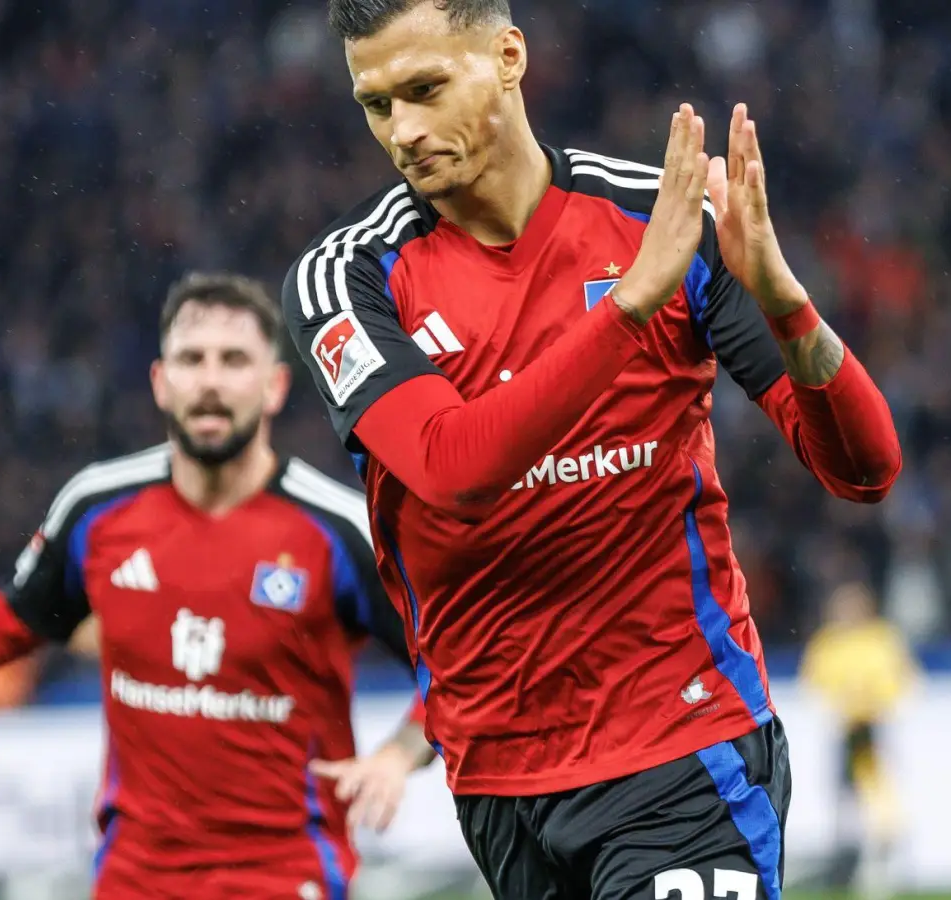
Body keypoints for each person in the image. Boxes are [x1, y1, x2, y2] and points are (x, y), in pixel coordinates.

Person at [281, 2, 904, 897]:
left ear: (506, 56)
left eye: (424, 89)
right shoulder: (348, 276)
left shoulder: (661, 221)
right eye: (376, 105)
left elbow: (864, 470)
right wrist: (627, 311)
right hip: (499, 773)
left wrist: (785, 301)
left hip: (683, 738)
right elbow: (451, 468)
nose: (403, 132)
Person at [0, 272, 434, 900]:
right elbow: (9, 622)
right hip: (136, 875)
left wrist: (400, 755)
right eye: (193, 360)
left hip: (285, 872)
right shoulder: (99, 507)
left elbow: (458, 663)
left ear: (275, 386)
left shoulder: (337, 531)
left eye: (234, 361)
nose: (212, 381)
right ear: (161, 382)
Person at [798, 582, 918, 900]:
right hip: (845, 731)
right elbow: (812, 687)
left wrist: (877, 706)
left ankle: (881, 866)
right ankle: (849, 864)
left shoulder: (882, 638)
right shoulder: (827, 643)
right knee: (846, 800)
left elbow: (905, 682)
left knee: (879, 797)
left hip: (874, 729)